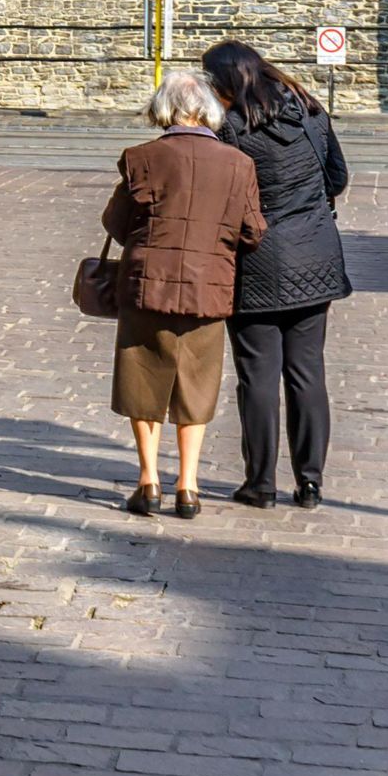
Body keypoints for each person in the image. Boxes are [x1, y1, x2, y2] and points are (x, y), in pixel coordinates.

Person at [104, 72, 264, 518]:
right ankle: (188, 486)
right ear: (206, 111)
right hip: (207, 289)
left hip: (147, 285)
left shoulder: (141, 157)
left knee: (142, 380)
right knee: (197, 385)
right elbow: (253, 231)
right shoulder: (239, 164)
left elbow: (115, 223)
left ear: (165, 109)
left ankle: (148, 481)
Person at [204, 38, 352, 506]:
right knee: (307, 372)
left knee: (258, 375)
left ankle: (260, 483)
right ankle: (310, 482)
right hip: (316, 256)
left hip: (257, 261)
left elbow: (224, 199)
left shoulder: (231, 128)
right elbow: (337, 178)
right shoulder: (310, 112)